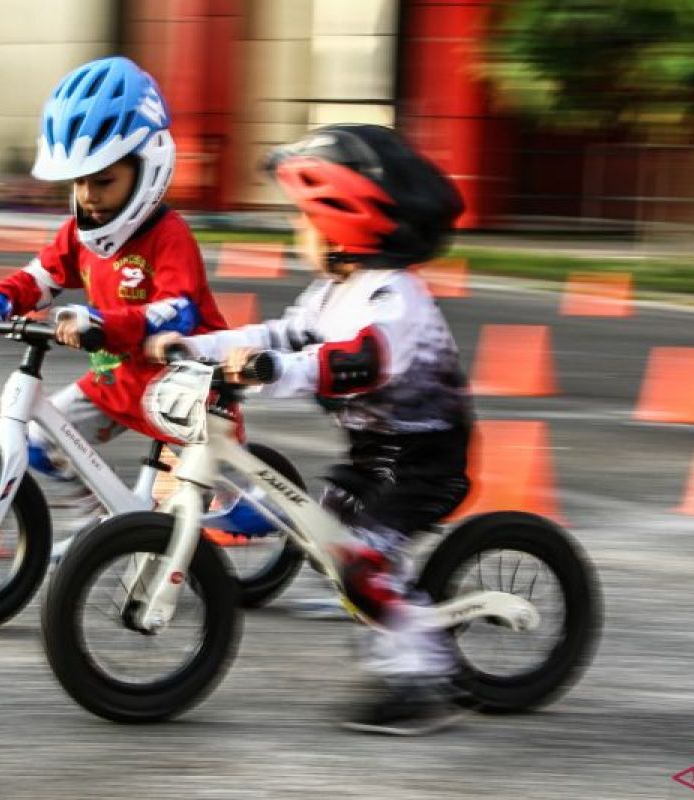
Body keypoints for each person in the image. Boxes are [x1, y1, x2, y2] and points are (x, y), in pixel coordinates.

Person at [147, 124, 474, 735]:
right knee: (331, 546)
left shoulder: (395, 299)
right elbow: (276, 336)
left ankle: (422, 681)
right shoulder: (333, 292)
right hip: (374, 452)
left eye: (305, 218)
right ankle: (394, 618)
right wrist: (195, 345)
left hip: (424, 457)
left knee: (362, 566)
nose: (298, 230)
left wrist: (276, 372)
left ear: (346, 225)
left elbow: (357, 362)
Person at [0, 56, 228, 521]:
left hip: (184, 383)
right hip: (116, 382)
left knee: (202, 503)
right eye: (79, 181)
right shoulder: (77, 235)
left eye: (102, 181)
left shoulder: (169, 235)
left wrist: (102, 322)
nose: (87, 195)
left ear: (148, 169)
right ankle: (107, 518)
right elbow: (38, 280)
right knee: (41, 444)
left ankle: (257, 511)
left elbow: (177, 311)